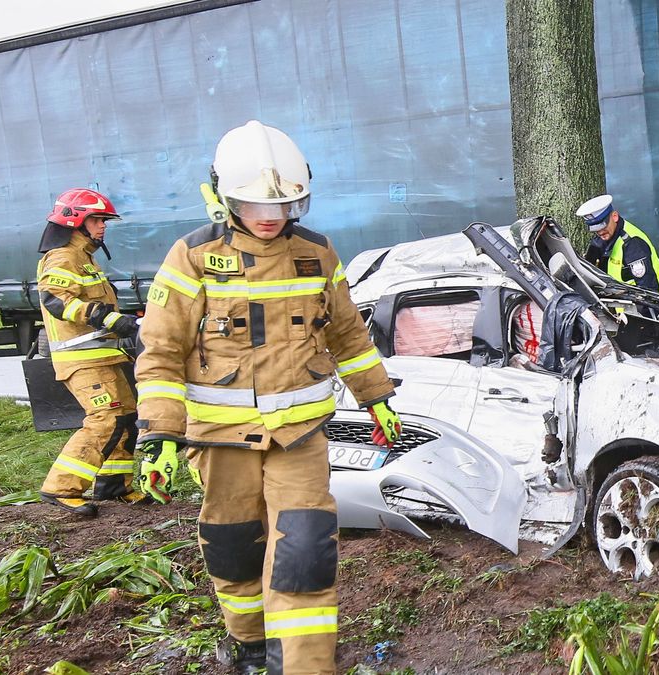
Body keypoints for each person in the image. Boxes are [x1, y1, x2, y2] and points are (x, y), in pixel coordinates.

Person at [132, 120, 401, 675]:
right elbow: (159, 352)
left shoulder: (318, 255)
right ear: (223, 198)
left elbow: (348, 335)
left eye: (285, 205)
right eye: (254, 205)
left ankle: (303, 666)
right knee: (233, 546)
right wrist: (158, 434)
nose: (271, 217)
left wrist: (377, 397)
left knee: (305, 552)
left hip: (299, 438)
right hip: (219, 439)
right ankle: (250, 643)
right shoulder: (192, 258)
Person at [36, 188, 145, 517]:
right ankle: (61, 488)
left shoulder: (85, 258)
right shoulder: (62, 258)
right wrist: (108, 317)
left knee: (126, 419)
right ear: (76, 221)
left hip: (105, 357)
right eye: (97, 220)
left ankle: (114, 487)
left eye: (104, 221)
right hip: (81, 360)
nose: (103, 227)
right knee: (106, 419)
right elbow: (56, 301)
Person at [577, 194, 659, 294]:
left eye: (602, 226)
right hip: (626, 303)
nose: (600, 232)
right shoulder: (606, 237)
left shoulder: (632, 244)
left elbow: (648, 290)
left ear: (615, 217)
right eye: (595, 229)